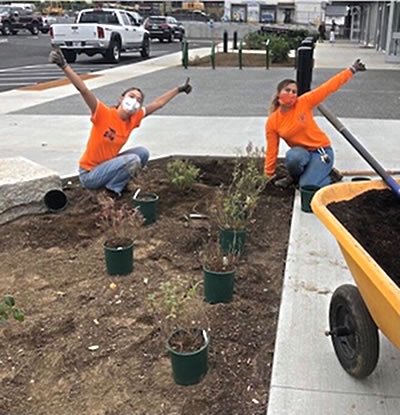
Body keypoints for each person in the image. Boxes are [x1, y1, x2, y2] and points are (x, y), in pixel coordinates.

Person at [48, 48, 192, 197]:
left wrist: (179, 89)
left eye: (139, 100)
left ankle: (120, 182)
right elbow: (84, 90)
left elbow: (158, 103)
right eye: (131, 96)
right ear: (121, 99)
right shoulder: (103, 113)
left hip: (107, 165)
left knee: (142, 153)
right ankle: (112, 191)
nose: (134, 101)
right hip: (89, 174)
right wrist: (64, 65)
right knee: (132, 160)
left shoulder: (134, 118)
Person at [264, 59, 366, 189]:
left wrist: (351, 70)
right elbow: (272, 150)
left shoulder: (304, 102)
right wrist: (268, 175)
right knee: (292, 156)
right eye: (287, 90)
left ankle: (330, 176)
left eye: (294, 92)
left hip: (321, 152)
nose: (291, 94)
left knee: (307, 185)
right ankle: (295, 177)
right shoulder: (273, 121)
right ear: (279, 93)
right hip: (302, 154)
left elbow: (328, 87)